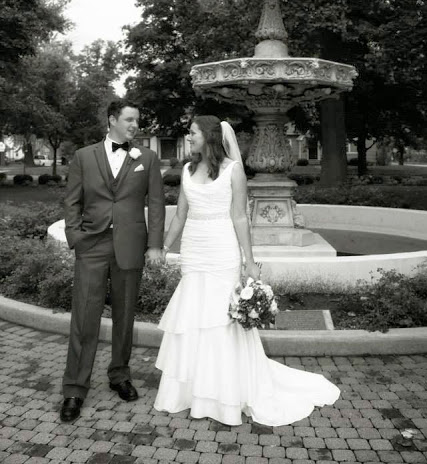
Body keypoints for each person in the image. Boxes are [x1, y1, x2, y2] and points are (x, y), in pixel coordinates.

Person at [153, 115, 340, 426]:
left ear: (209, 137)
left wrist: (249, 260)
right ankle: (190, 391)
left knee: (220, 319)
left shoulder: (233, 170)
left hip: (222, 249)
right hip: (194, 250)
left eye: (193, 132)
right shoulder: (187, 169)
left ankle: (227, 393)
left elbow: (240, 218)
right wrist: (163, 246)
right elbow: (180, 215)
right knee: (194, 315)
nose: (188, 137)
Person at [60, 100, 165, 422]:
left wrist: (155, 245)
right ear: (112, 121)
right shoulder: (83, 156)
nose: (135, 125)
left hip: (130, 247)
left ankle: (120, 375)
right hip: (91, 245)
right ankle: (75, 389)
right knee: (84, 318)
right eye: (129, 119)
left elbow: (157, 204)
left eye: (137, 120)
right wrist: (76, 236)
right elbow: (72, 201)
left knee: (125, 316)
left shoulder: (146, 158)